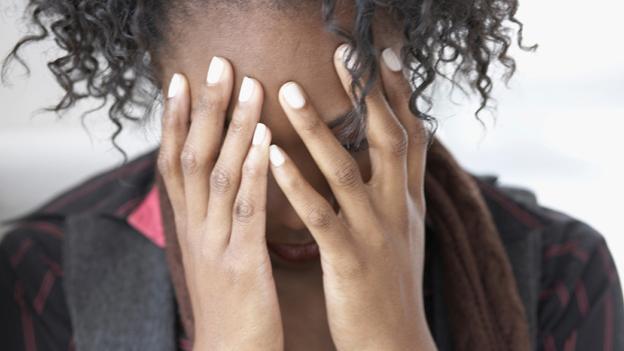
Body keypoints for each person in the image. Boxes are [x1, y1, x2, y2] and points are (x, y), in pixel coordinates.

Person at [1, 0, 622, 350]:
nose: (299, 209)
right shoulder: (44, 279)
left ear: (407, 87)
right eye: (233, 148)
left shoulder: (560, 274)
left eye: (345, 141)